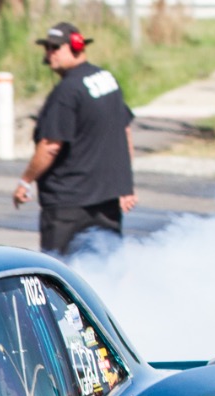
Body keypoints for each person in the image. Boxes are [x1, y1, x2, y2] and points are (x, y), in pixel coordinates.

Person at [12, 22, 137, 256]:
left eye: (55, 48)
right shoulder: (106, 79)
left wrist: (25, 181)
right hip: (106, 199)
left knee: (57, 277)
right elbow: (125, 131)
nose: (49, 54)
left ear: (77, 47)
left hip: (67, 204)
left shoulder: (67, 91)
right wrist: (125, 185)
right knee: (107, 267)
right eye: (47, 48)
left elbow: (50, 146)